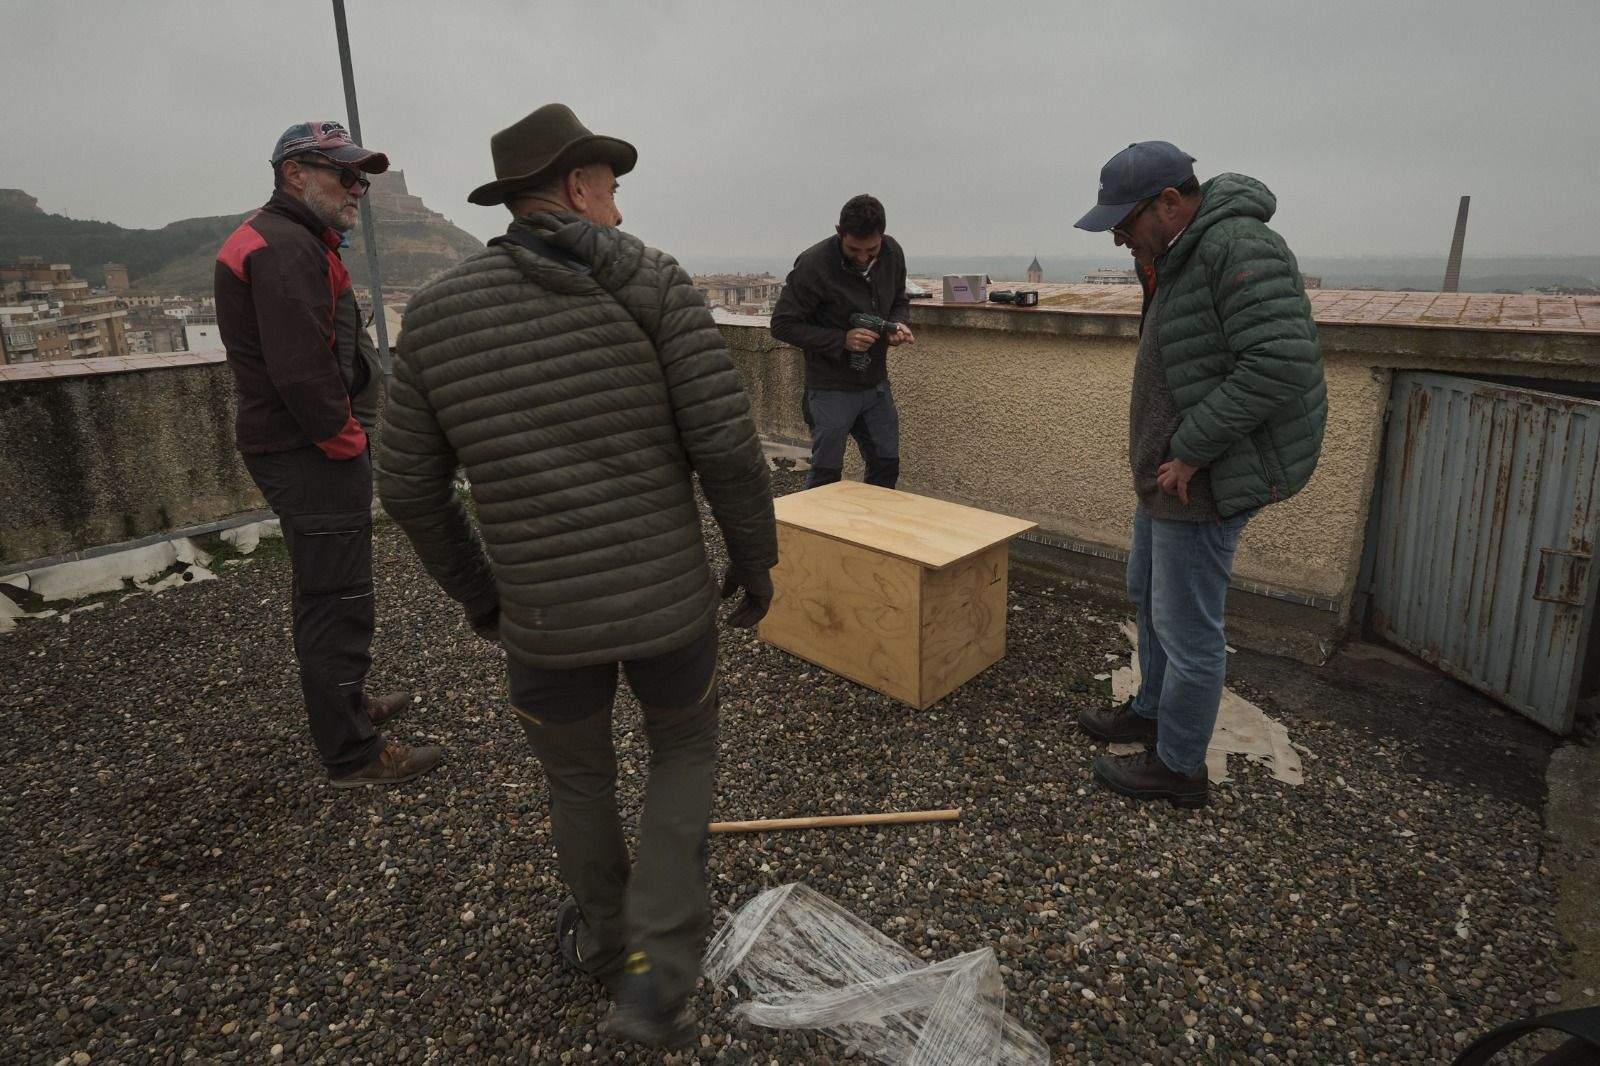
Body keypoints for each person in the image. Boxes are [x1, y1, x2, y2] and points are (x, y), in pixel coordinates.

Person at [376, 103, 777, 1049]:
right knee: (682, 760)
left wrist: (482, 594)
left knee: (579, 783)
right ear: (572, 188)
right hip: (669, 603)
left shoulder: (432, 318)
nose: (620, 212)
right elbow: (726, 444)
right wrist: (754, 557)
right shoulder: (655, 285)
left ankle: (607, 948)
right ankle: (655, 976)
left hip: (544, 621)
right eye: (611, 189)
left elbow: (408, 489)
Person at [1071, 141, 1326, 808]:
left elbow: (1279, 363)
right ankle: (1152, 711)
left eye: (1126, 225)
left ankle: (1180, 767)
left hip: (1203, 478)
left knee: (1189, 629)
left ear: (1172, 202)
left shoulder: (1238, 246)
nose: (1121, 240)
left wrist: (1190, 451)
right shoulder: (1176, 253)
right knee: (1152, 599)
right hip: (1169, 476)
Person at [215, 121, 437, 788]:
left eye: (362, 176)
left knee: (330, 592)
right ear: (295, 175)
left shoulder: (290, 237)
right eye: (344, 173)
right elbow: (300, 371)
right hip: (309, 449)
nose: (358, 187)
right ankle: (353, 754)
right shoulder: (284, 248)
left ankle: (346, 707)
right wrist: (346, 443)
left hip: (301, 446)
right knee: (336, 599)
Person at [770, 194, 914, 490]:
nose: (863, 257)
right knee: (826, 476)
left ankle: (869, 532)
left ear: (882, 237)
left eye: (871, 250)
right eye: (854, 249)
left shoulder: (892, 253)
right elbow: (782, 325)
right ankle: (815, 534)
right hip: (830, 388)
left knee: (886, 466)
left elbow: (899, 300)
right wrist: (841, 340)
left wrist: (897, 324)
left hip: (875, 385)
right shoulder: (813, 265)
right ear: (839, 232)